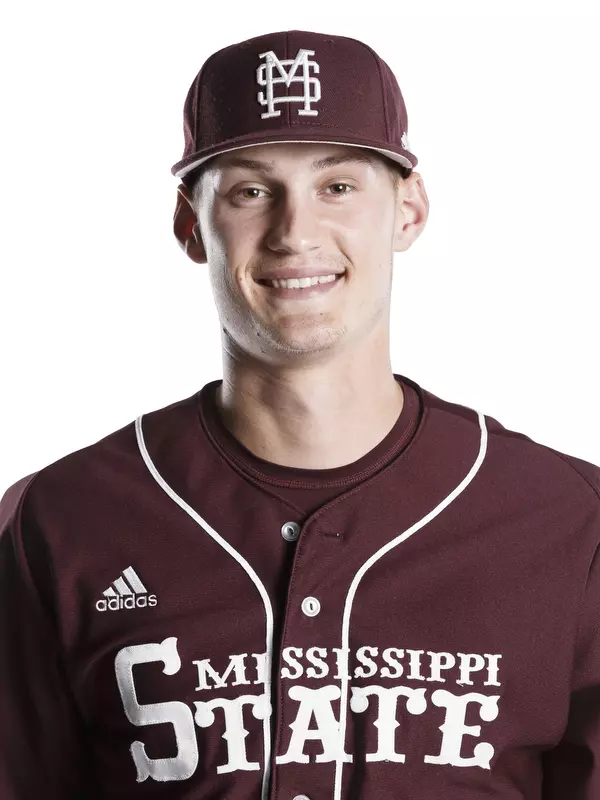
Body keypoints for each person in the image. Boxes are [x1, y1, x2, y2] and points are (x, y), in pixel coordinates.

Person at [1, 27, 599, 800]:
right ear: (190, 224)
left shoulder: (569, 522)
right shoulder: (60, 524)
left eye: (337, 187)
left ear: (409, 210)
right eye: (251, 191)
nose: (295, 234)